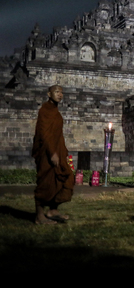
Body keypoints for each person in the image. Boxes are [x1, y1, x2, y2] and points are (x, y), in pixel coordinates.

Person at [32, 85, 75, 224]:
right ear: (49, 94)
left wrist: (63, 151)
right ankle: (39, 216)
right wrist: (52, 153)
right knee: (45, 182)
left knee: (65, 177)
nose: (60, 95)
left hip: (58, 151)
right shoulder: (44, 110)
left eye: (61, 92)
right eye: (57, 92)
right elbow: (44, 134)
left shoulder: (55, 111)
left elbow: (58, 134)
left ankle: (53, 210)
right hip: (47, 152)